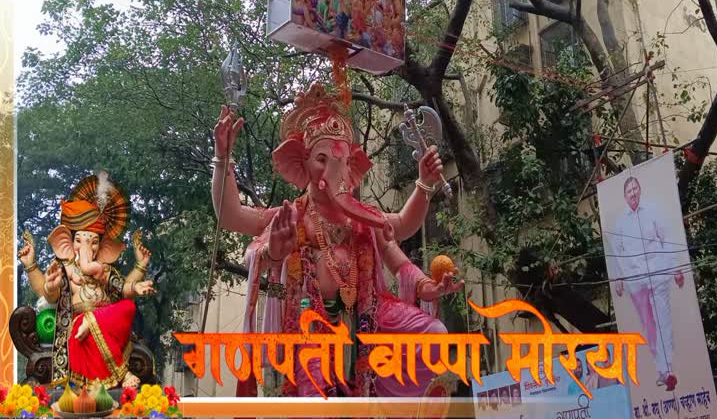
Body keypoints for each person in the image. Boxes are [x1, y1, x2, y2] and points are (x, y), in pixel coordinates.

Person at [211, 82, 463, 399]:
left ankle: (399, 405)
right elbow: (231, 215)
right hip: (312, 326)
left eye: (339, 160)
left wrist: (424, 186)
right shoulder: (293, 215)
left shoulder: (365, 219)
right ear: (301, 163)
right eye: (321, 159)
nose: (332, 169)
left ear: (350, 166)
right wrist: (222, 159)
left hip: (370, 318)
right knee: (318, 404)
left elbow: (401, 232)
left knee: (434, 334)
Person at [18, 172, 155, 389]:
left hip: (106, 322)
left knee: (127, 307)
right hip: (78, 325)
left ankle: (92, 322)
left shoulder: (104, 269)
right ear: (68, 243)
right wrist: (39, 274)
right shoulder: (67, 268)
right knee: (84, 329)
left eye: (93, 242)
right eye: (80, 240)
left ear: (103, 248)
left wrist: (138, 279)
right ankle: (122, 371)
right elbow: (49, 294)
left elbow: (122, 290)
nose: (86, 247)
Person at [607, 176, 686, 391]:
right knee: (649, 326)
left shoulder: (653, 211)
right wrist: (619, 277)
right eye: (629, 191)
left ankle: (667, 369)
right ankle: (661, 369)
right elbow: (616, 253)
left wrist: (676, 268)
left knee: (663, 321)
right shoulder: (620, 223)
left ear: (639, 191)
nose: (633, 193)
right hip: (637, 282)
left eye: (635, 189)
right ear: (625, 196)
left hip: (658, 275)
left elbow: (666, 240)